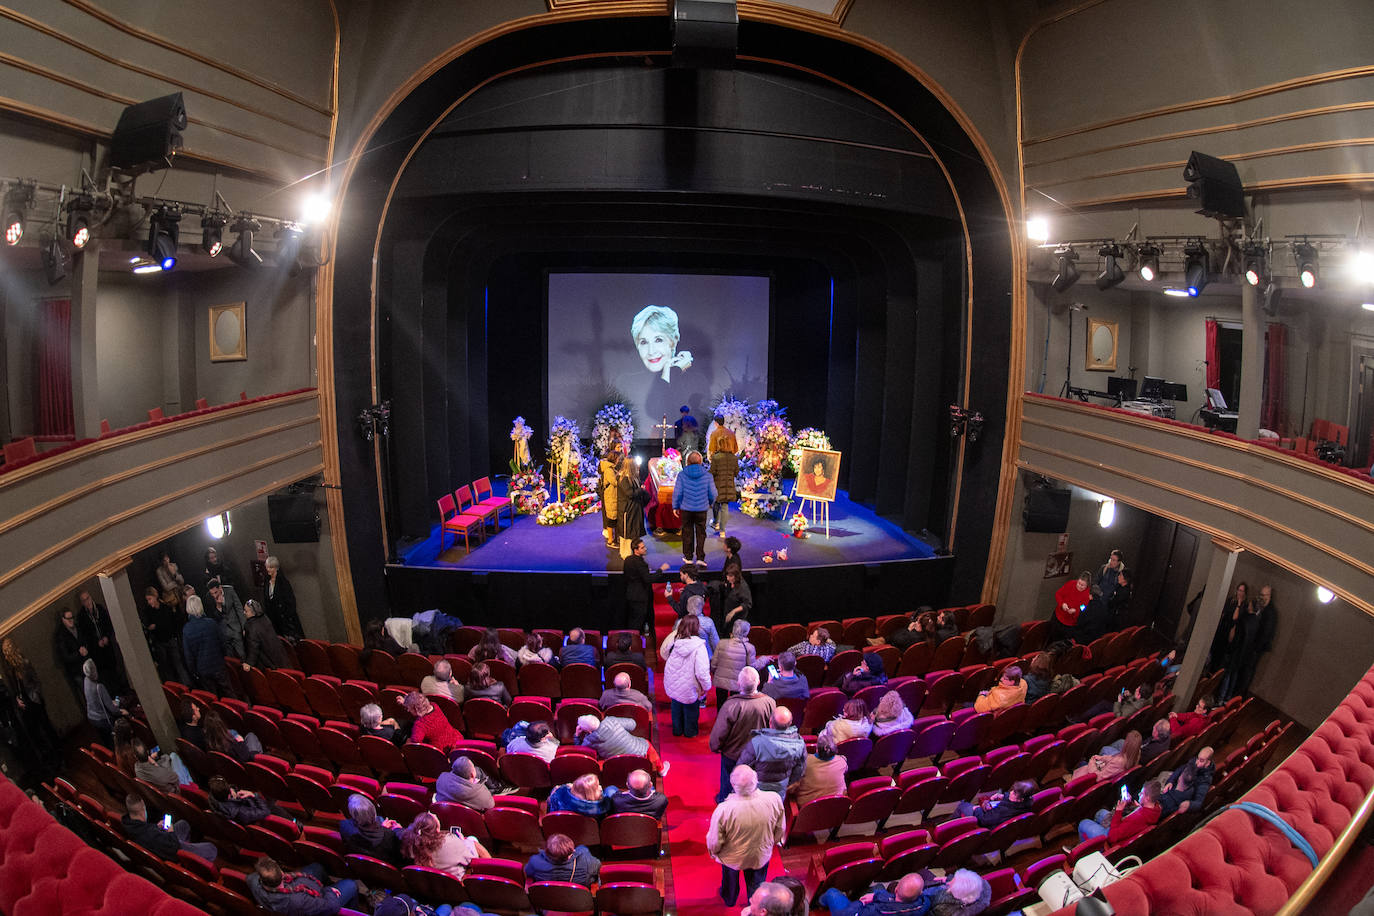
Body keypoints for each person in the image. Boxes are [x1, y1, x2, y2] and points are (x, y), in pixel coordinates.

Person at [707, 765, 786, 907]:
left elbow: (714, 841)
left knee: (729, 883)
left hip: (732, 858)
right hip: (760, 854)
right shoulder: (774, 799)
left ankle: (729, 899)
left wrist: (714, 852)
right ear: (756, 780)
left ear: (733, 785)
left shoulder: (724, 809)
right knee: (756, 884)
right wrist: (770, 843)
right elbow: (780, 828)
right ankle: (754, 904)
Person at [710, 667, 775, 802]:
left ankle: (725, 802)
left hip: (733, 754)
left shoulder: (731, 705)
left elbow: (720, 732)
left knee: (729, 784)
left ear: (738, 684)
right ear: (758, 682)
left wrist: (715, 746)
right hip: (758, 753)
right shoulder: (769, 702)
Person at [0, 637, 61, 772]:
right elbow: (15, 689)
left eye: (7, 652)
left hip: (34, 701)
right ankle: (48, 759)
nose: (5, 655)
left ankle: (58, 754)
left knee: (46, 727)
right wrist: (17, 700)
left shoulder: (25, 664)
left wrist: (35, 696)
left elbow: (36, 682)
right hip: (25, 705)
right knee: (35, 733)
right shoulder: (10, 670)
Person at [122, 793, 217, 863]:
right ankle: (187, 859)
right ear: (142, 812)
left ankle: (189, 852)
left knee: (183, 825)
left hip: (159, 842)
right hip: (172, 851)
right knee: (212, 849)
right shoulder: (151, 833)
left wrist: (156, 827)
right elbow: (173, 846)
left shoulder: (126, 823)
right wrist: (170, 832)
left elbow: (149, 833)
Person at [249, 855, 357, 914]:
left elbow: (251, 877)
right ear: (282, 873)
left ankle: (330, 885)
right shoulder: (297, 901)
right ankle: (350, 910)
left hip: (298, 890)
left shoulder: (252, 880)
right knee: (351, 884)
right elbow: (331, 907)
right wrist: (329, 891)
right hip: (321, 901)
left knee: (316, 867)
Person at [737, 707, 806, 797]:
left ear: (770, 722)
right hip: (781, 788)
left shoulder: (757, 743)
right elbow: (799, 770)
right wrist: (788, 783)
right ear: (790, 724)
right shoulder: (799, 743)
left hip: (757, 790)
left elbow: (741, 768)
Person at [663, 614, 712, 738]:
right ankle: (690, 733)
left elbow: (663, 652)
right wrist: (706, 687)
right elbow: (702, 672)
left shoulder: (673, 640)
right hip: (690, 685)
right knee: (691, 709)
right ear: (697, 628)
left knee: (676, 706)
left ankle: (677, 730)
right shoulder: (699, 647)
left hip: (673, 680)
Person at [401, 811, 489, 879]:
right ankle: (492, 870)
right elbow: (472, 858)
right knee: (472, 840)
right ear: (437, 830)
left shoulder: (409, 843)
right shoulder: (449, 841)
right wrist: (463, 842)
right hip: (454, 883)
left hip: (430, 884)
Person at [575, 713, 668, 776]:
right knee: (646, 744)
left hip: (618, 764)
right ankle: (661, 770)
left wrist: (576, 735)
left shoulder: (588, 741)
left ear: (588, 731)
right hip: (639, 753)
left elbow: (581, 751)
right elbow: (632, 724)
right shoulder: (610, 721)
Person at [182, 595, 238, 697]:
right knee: (229, 693)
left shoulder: (187, 630)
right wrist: (222, 657)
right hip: (218, 665)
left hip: (203, 670)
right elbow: (223, 643)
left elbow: (188, 656)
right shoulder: (211, 624)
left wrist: (194, 672)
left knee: (213, 698)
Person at [817, 871, 941, 916]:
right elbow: (884, 897)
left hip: (856, 912)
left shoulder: (877, 911)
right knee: (879, 888)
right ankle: (852, 896)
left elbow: (848, 914)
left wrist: (861, 902)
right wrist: (876, 896)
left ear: (896, 889)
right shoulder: (924, 903)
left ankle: (819, 903)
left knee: (832, 893)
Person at [1078, 780, 1162, 844]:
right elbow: (1140, 813)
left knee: (1083, 823)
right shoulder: (1156, 809)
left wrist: (1119, 811)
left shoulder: (1138, 818)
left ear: (1147, 798)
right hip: (1122, 827)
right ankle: (1093, 841)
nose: (1139, 794)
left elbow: (1112, 837)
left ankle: (1085, 849)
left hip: (1112, 837)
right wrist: (1130, 803)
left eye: (1142, 793)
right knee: (1100, 813)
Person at [673, 450, 717, 567]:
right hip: (701, 509)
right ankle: (700, 557)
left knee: (687, 532)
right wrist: (710, 503)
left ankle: (688, 557)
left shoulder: (681, 475)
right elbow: (713, 493)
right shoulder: (708, 476)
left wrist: (675, 506)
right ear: (701, 462)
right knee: (701, 533)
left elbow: (677, 493)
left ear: (687, 462)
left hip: (686, 508)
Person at [632, 305, 692, 383]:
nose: (651, 351)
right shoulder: (626, 381)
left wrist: (674, 371)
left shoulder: (695, 380)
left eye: (658, 340)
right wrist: (671, 372)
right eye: (644, 342)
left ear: (674, 341)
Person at [76, 589, 122, 688]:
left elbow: (108, 624)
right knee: (104, 676)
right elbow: (85, 635)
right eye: (84, 600)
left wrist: (106, 636)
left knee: (114, 669)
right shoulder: (81, 617)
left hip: (108, 646)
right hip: (96, 651)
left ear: (90, 597)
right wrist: (96, 642)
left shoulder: (99, 609)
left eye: (87, 598)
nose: (87, 602)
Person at [341, 793, 404, 861]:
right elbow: (398, 858)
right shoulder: (390, 835)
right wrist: (399, 830)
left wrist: (381, 828)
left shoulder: (344, 825)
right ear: (374, 812)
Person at [712, 619, 758, 708]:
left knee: (721, 707)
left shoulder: (721, 643)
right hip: (738, 684)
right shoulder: (750, 648)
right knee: (735, 708)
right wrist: (764, 660)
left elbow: (714, 664)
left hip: (721, 682)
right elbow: (752, 667)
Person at [524, 833, 601, 886]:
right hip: (577, 898)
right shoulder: (586, 861)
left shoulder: (535, 861)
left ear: (547, 851)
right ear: (570, 854)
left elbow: (528, 873)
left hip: (548, 897)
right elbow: (598, 867)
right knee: (582, 848)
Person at [792, 734, 848, 807]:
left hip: (808, 808)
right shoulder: (842, 761)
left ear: (817, 749)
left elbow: (791, 788)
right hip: (834, 805)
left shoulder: (804, 763)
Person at [956, 779, 1037, 829]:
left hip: (988, 827)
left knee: (963, 805)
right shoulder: (1027, 804)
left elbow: (983, 820)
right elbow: (1011, 800)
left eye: (1014, 793)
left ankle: (949, 827)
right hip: (998, 821)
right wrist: (1003, 796)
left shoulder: (1004, 810)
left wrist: (977, 809)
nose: (1011, 792)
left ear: (1020, 799)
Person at [53, 605, 92, 707]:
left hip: (87, 665)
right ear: (63, 620)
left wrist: (85, 649)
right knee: (87, 695)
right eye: (68, 618)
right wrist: (78, 653)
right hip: (76, 671)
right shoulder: (61, 635)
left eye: (72, 617)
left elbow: (85, 640)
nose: (71, 620)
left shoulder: (78, 627)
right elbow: (65, 657)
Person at [1209, 581, 1251, 674]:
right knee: (1213, 652)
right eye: (1239, 590)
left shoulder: (1244, 606)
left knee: (1221, 657)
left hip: (1230, 633)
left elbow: (1235, 618)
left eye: (1242, 591)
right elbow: (1223, 613)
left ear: (1245, 593)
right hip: (1222, 629)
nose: (1239, 593)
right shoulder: (1230, 600)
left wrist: (1239, 604)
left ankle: (1213, 675)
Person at [1158, 747, 1215, 815]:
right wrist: (1170, 781)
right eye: (1197, 758)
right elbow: (1180, 770)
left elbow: (1199, 802)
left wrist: (1190, 805)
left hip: (1177, 800)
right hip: (1171, 791)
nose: (1197, 762)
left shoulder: (1205, 780)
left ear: (1208, 763)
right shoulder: (1194, 762)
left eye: (1201, 760)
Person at [617, 460, 654, 564]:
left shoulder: (633, 477)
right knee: (627, 533)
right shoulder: (624, 479)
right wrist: (641, 490)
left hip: (635, 508)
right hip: (627, 510)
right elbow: (630, 493)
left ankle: (634, 552)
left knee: (634, 532)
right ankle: (626, 554)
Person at [1071, 730, 1142, 783]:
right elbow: (1112, 759)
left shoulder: (1119, 762)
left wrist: (1092, 762)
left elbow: (1098, 777)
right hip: (1104, 768)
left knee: (1082, 763)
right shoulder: (1136, 754)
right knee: (1095, 759)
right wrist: (1101, 758)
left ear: (1127, 744)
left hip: (1096, 777)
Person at [83, 657, 127, 744]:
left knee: (106, 741)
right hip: (103, 720)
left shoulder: (85, 680)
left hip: (92, 718)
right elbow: (112, 709)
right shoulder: (99, 687)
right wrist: (121, 711)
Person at [242, 598, 291, 671]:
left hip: (268, 660)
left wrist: (249, 663)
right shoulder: (265, 618)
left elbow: (253, 648)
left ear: (253, 613)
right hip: (278, 653)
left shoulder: (250, 626)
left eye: (246, 611)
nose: (244, 613)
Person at [205, 578, 248, 661]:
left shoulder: (230, 590)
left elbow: (239, 609)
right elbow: (213, 618)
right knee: (230, 659)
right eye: (212, 593)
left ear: (220, 588)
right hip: (223, 632)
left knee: (242, 654)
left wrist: (244, 627)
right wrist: (218, 606)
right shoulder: (208, 597)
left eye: (216, 592)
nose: (214, 595)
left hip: (236, 629)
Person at [208, 774, 275, 826]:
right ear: (229, 795)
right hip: (256, 813)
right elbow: (265, 812)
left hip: (244, 807)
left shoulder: (213, 795)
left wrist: (234, 795)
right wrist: (254, 795)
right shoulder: (241, 813)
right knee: (272, 796)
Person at [262, 556, 303, 639]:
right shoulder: (267, 581)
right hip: (274, 618)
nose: (268, 569)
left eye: (271, 567)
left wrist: (287, 615)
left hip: (285, 619)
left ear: (276, 568)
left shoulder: (283, 582)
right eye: (267, 567)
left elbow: (291, 601)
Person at [621, 537, 655, 635]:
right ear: (636, 550)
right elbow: (648, 579)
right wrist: (660, 570)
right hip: (640, 597)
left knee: (633, 620)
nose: (645, 549)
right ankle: (634, 642)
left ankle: (631, 640)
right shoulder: (640, 563)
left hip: (630, 594)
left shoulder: (628, 559)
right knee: (637, 622)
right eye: (642, 547)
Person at [709, 428, 739, 534]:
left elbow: (712, 472)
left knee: (716, 504)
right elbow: (736, 472)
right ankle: (722, 531)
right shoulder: (734, 458)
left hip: (717, 485)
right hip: (729, 486)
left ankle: (715, 522)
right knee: (725, 507)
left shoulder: (716, 457)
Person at [548, 772, 618, 817]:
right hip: (591, 833)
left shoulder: (559, 794)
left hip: (564, 828)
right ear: (589, 794)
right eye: (597, 787)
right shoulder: (601, 807)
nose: (600, 787)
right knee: (611, 789)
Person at [1050, 571, 1092, 644]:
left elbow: (1083, 607)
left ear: (1087, 585)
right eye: (1079, 583)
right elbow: (1058, 594)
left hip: (1070, 625)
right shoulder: (1071, 584)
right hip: (1058, 617)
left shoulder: (1087, 594)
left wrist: (1076, 610)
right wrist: (1062, 604)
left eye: (1083, 585)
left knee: (1062, 644)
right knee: (1051, 638)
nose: (1079, 586)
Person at [928, 869, 992, 916]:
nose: (948, 883)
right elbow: (966, 881)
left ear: (957, 895)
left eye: (951, 885)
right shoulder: (983, 887)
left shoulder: (945, 910)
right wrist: (948, 878)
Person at [600, 447, 624, 548]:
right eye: (618, 458)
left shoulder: (611, 468)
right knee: (611, 519)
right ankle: (610, 541)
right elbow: (614, 482)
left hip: (612, 496)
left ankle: (614, 538)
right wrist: (621, 477)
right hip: (611, 497)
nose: (619, 460)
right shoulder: (609, 470)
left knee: (613, 518)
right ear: (614, 459)